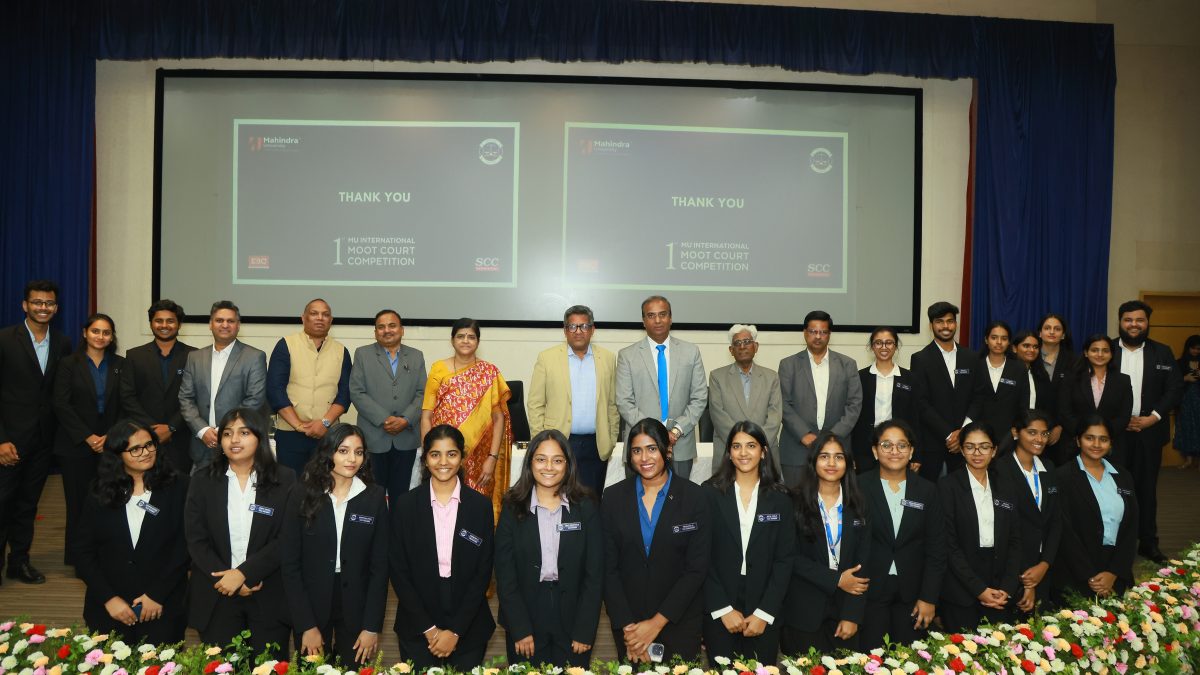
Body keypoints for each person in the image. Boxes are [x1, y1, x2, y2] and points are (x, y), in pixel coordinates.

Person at [184, 408, 295, 656]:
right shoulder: (202, 480)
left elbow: (286, 538)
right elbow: (196, 540)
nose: (234, 440)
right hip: (218, 592)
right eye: (227, 433)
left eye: (244, 432)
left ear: (260, 437)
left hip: (268, 593)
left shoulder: (285, 479)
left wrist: (245, 574)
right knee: (222, 666)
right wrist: (229, 580)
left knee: (268, 668)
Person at [602, 418, 710, 662]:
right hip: (630, 625)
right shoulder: (612, 498)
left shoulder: (695, 497)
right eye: (637, 450)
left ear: (667, 450)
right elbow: (608, 569)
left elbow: (697, 569)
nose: (644, 458)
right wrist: (629, 628)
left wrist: (656, 624)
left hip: (678, 620)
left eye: (652, 449)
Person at [282, 423, 388, 667]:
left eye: (359, 452)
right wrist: (306, 625)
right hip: (310, 602)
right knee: (312, 670)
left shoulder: (374, 497)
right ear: (328, 452)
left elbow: (379, 568)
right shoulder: (301, 493)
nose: (352, 459)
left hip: (356, 605)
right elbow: (289, 565)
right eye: (343, 451)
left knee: (353, 669)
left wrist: (372, 626)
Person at [389, 425, 495, 669]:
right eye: (435, 454)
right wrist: (429, 629)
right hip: (417, 620)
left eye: (452, 454)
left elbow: (483, 572)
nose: (443, 462)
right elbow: (398, 570)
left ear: (462, 457)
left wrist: (456, 631)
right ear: (425, 459)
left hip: (468, 621)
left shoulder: (480, 506)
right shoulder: (405, 505)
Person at [495, 429, 603, 667]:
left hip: (574, 613)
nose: (549, 467)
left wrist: (585, 628)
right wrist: (519, 627)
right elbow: (505, 574)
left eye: (557, 460)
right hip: (526, 612)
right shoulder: (512, 507)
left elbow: (595, 574)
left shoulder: (585, 507)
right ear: (530, 462)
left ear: (568, 465)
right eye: (541, 459)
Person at [74, 420, 188, 643]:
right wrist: (109, 598)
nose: (145, 453)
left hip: (161, 605)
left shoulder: (181, 486)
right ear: (117, 454)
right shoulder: (99, 491)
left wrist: (157, 595)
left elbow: (185, 548)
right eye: (135, 449)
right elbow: (82, 551)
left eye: (149, 445)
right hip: (110, 608)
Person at [701, 421, 794, 664]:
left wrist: (764, 613)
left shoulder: (781, 498)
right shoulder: (709, 494)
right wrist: (722, 608)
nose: (743, 453)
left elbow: (785, 560)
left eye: (751, 446)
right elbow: (701, 557)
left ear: (763, 451)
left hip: (764, 605)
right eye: (736, 446)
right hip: (720, 605)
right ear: (729, 453)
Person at [0, 280, 71, 584]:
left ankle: (19, 562)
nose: (44, 308)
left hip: (43, 441)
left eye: (49, 303)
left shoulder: (63, 343)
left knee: (29, 504)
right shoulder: (4, 340)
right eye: (37, 302)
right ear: (25, 305)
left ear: (56, 308)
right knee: (3, 504)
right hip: (9, 441)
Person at [780, 431, 871, 655]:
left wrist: (852, 615)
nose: (832, 463)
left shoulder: (860, 503)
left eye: (839, 457)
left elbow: (864, 562)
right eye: (824, 456)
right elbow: (789, 557)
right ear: (813, 462)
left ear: (848, 463)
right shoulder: (793, 502)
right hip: (803, 612)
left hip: (844, 612)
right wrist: (837, 579)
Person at [859, 419, 945, 651]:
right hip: (869, 591)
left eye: (902, 445)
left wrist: (929, 597)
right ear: (875, 451)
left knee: (909, 660)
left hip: (913, 593)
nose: (894, 451)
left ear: (911, 451)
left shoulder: (927, 490)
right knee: (870, 659)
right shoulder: (858, 488)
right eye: (886, 445)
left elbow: (937, 549)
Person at [1110, 300, 1184, 563]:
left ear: (1147, 323)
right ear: (1120, 322)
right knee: (1113, 489)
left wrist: (1152, 418)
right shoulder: (1105, 350)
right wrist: (1117, 421)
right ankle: (1113, 542)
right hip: (1113, 435)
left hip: (1149, 433)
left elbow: (1174, 389)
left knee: (1146, 490)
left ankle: (1148, 543)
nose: (1134, 325)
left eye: (1139, 320)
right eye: (1128, 320)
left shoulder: (1162, 353)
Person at [420, 318, 512, 519]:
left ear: (478, 342)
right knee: (442, 508)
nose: (465, 341)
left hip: (480, 458)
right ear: (452, 340)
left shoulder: (490, 373)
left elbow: (498, 419)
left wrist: (492, 458)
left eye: (471, 337)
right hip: (443, 456)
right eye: (460, 336)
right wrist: (429, 452)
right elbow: (426, 416)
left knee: (475, 512)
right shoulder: (438, 369)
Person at [53, 312, 125, 566]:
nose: (100, 336)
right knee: (78, 504)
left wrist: (109, 437)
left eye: (106, 332)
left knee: (108, 501)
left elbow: (124, 405)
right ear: (85, 333)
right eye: (96, 331)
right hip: (75, 446)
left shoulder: (120, 364)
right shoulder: (68, 364)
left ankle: (104, 555)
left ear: (111, 337)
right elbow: (60, 404)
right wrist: (87, 436)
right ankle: (77, 557)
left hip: (111, 446)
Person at [527, 305, 620, 497]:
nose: (578, 331)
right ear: (565, 330)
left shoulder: (608, 359)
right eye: (573, 326)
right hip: (559, 444)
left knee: (592, 503)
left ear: (593, 330)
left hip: (596, 445)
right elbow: (535, 404)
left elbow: (612, 404)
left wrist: (610, 439)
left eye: (584, 326)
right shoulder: (547, 358)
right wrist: (542, 442)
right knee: (558, 500)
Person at [937, 422, 1021, 633]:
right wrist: (979, 589)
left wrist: (1008, 587)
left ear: (994, 451)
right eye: (970, 447)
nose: (977, 453)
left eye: (984, 447)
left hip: (1000, 588)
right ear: (962, 450)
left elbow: (1015, 539)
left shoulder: (1006, 485)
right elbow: (949, 545)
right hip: (961, 589)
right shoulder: (948, 486)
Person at [616, 296, 708, 480]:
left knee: (680, 505)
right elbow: (624, 402)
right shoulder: (627, 356)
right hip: (641, 446)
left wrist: (675, 432)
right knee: (638, 505)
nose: (657, 320)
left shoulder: (691, 352)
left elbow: (699, 397)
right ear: (643, 321)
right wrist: (654, 434)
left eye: (662, 314)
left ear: (671, 318)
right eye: (651, 315)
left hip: (680, 445)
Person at [1053, 415, 1138, 600]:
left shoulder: (1123, 476)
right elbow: (1065, 533)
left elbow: (1131, 527)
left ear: (1111, 443)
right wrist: (1091, 577)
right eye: (1089, 438)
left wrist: (1114, 572)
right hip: (1077, 574)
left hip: (1116, 570)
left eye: (1103, 439)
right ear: (1078, 440)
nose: (1096, 444)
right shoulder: (1062, 477)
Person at [178, 301, 268, 471]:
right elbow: (185, 398)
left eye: (231, 321)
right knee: (201, 495)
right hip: (202, 443)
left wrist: (224, 431)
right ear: (210, 324)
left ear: (238, 325)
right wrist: (202, 430)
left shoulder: (254, 357)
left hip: (238, 444)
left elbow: (255, 399)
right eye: (219, 320)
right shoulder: (195, 357)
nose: (225, 325)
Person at [268, 299, 353, 476]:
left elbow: (345, 394)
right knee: (290, 489)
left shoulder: (341, 351)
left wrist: (325, 423)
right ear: (303, 317)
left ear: (331, 320)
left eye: (325, 314)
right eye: (314, 313)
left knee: (324, 488)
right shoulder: (286, 345)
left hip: (327, 434)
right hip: (290, 433)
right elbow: (275, 390)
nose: (320, 318)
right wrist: (298, 425)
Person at [778, 311, 863, 487]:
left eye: (823, 332)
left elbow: (854, 404)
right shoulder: (788, 365)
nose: (818, 337)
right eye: (813, 331)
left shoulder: (847, 364)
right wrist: (804, 434)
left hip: (837, 449)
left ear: (829, 334)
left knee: (837, 505)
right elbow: (783, 404)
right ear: (805, 333)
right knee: (796, 506)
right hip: (797, 449)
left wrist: (832, 438)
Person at [349, 309, 426, 501]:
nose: (387, 330)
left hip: (406, 437)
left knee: (401, 497)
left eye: (392, 325)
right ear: (375, 332)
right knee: (371, 495)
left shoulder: (416, 356)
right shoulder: (362, 354)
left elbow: (422, 393)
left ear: (402, 330)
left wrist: (406, 419)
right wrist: (385, 419)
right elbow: (357, 392)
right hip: (373, 437)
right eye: (381, 327)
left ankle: (397, 532)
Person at [993, 409, 1062, 612]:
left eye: (1044, 433)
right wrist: (1027, 579)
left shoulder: (1049, 468)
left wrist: (1045, 564)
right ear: (1016, 432)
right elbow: (1006, 528)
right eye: (1032, 432)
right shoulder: (999, 469)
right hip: (1011, 570)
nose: (1039, 439)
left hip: (1043, 566)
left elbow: (1056, 521)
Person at [120, 299, 196, 473]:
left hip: (180, 437)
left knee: (179, 491)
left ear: (179, 324)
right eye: (158, 320)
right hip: (142, 437)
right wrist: (152, 429)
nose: (164, 325)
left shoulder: (194, 356)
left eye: (170, 321)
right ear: (151, 323)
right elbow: (127, 397)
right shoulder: (134, 356)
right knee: (145, 489)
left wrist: (171, 427)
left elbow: (195, 397)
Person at [910, 301, 982, 480]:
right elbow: (921, 403)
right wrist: (950, 435)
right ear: (931, 325)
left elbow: (979, 396)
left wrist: (962, 433)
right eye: (939, 322)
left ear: (956, 324)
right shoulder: (920, 359)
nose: (945, 326)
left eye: (950, 321)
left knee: (961, 497)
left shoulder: (971, 357)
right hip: (933, 443)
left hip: (967, 443)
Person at [707, 324, 783, 468]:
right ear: (731, 350)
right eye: (737, 343)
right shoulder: (717, 377)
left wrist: (757, 444)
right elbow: (718, 415)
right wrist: (740, 445)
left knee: (767, 491)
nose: (742, 346)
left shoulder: (771, 377)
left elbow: (775, 416)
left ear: (756, 346)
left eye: (747, 342)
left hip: (764, 452)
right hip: (728, 452)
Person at [1057, 334, 1133, 466]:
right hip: (1077, 444)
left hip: (1111, 446)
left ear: (1111, 354)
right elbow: (1065, 412)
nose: (1100, 354)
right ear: (1086, 353)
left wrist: (1104, 437)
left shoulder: (1123, 381)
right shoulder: (1071, 378)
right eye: (1094, 350)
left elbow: (1124, 416)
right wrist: (1085, 436)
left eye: (1105, 350)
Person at [850, 328, 918, 472]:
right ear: (872, 347)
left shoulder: (910, 378)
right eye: (879, 343)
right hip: (864, 447)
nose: (884, 347)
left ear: (895, 346)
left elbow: (916, 418)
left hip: (898, 447)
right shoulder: (859, 377)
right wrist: (851, 454)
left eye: (889, 343)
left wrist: (917, 455)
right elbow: (852, 416)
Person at [971, 320, 1029, 455]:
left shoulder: (1019, 368)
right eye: (994, 337)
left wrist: (1017, 430)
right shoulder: (975, 365)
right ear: (986, 340)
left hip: (1008, 435)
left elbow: (1023, 404)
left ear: (1009, 342)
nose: (999, 342)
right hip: (978, 434)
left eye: (1004, 338)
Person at [1010, 331, 1064, 463]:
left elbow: (1050, 406)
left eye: (1035, 347)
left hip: (1037, 437)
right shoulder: (1006, 372)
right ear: (1014, 348)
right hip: (1011, 435)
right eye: (1026, 346)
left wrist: (1057, 426)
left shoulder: (1041, 375)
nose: (1031, 350)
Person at [1174, 335, 1200, 468]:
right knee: (1187, 427)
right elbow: (1173, 382)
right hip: (1186, 400)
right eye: (1193, 348)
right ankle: (1188, 460)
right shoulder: (1180, 362)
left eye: (1198, 349)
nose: (1196, 351)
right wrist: (1185, 378)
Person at [1037, 313, 1078, 386]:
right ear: (1040, 333)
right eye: (1047, 328)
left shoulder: (1073, 360)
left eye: (1057, 329)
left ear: (1063, 335)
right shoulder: (1031, 357)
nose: (1052, 332)